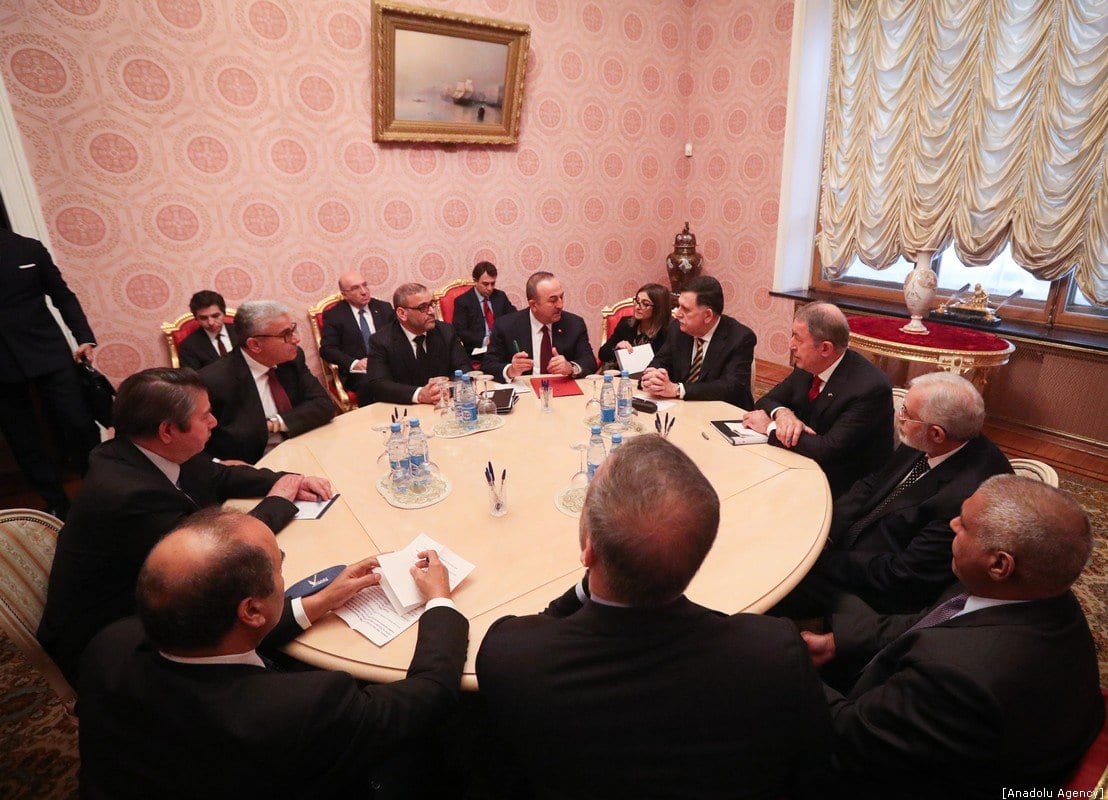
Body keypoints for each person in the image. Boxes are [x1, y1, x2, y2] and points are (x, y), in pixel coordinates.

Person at [477, 435, 832, 798]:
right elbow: (814, 773)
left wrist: (586, 584)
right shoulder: (774, 653)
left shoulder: (513, 657)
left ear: (587, 549)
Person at [78, 508, 468, 799]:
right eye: (280, 566)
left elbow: (223, 636)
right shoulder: (303, 706)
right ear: (251, 610)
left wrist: (316, 603)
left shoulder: (109, 644)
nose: (283, 575)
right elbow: (429, 693)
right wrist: (439, 599)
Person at [803, 475, 1105, 799]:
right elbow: (929, 620)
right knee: (836, 598)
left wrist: (786, 660)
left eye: (965, 525)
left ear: (999, 564)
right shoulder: (1036, 591)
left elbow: (851, 734)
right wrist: (839, 641)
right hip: (952, 726)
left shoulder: (957, 678)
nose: (952, 524)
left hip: (886, 772)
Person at [37, 368, 333, 684]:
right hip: (119, 643)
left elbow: (220, 477)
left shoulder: (151, 448)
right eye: (205, 416)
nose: (214, 422)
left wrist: (288, 480)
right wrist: (279, 502)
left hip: (160, 599)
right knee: (276, 614)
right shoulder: (127, 494)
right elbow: (215, 554)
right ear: (167, 430)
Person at [772, 372, 1013, 616]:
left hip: (878, 589)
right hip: (854, 548)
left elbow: (903, 574)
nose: (899, 416)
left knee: (775, 582)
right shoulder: (932, 437)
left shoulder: (967, 497)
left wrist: (822, 561)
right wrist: (825, 534)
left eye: (906, 413)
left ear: (937, 433)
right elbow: (872, 483)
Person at [743, 302, 893, 497]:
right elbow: (767, 400)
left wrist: (770, 427)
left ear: (825, 348)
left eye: (798, 338)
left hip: (841, 487)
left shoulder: (870, 388)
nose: (791, 345)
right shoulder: (808, 366)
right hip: (799, 464)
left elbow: (827, 450)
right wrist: (783, 414)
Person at [0, 227, 100, 518]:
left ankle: (98, 487)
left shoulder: (28, 248)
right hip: (2, 365)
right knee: (22, 439)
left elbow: (62, 296)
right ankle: (55, 502)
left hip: (48, 352)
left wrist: (84, 337)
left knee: (79, 422)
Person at [200, 300, 334, 463]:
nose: (296, 339)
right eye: (286, 334)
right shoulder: (214, 381)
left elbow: (323, 405)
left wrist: (273, 424)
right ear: (255, 345)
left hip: (303, 448)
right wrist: (218, 464)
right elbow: (195, 444)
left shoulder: (292, 359)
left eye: (293, 329)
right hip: (255, 465)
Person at [640, 275, 756, 407]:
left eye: (685, 309)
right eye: (678, 306)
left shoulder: (740, 338)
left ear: (707, 315)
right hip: (682, 408)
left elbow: (730, 387)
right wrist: (653, 376)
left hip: (723, 412)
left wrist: (677, 390)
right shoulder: (677, 328)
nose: (677, 314)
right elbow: (661, 361)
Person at [364, 282, 470, 405]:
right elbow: (378, 385)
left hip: (444, 404)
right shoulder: (381, 341)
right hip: (405, 408)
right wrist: (419, 394)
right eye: (423, 307)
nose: (431, 311)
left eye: (431, 304)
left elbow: (464, 367)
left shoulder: (445, 331)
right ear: (402, 313)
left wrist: (448, 389)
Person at [481, 271, 598, 380]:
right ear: (533, 305)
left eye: (561, 297)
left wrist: (571, 368)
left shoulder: (574, 324)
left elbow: (589, 361)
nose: (560, 305)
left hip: (562, 390)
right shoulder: (506, 326)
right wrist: (511, 370)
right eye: (553, 300)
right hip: (525, 390)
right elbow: (488, 365)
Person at [318, 271, 395, 405]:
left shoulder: (384, 308)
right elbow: (327, 349)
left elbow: (398, 336)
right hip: (360, 373)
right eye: (355, 288)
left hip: (389, 363)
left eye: (365, 285)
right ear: (344, 294)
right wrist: (355, 363)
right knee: (370, 383)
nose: (364, 291)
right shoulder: (334, 315)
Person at [596, 282, 671, 371]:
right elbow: (602, 354)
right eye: (637, 301)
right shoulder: (626, 324)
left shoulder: (669, 331)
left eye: (645, 304)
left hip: (653, 377)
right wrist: (616, 347)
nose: (637, 307)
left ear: (659, 308)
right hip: (623, 376)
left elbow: (670, 366)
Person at [451, 261, 517, 358]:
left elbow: (513, 318)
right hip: (479, 351)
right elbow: (460, 331)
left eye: (493, 283)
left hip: (501, 346)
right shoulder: (463, 301)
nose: (490, 288)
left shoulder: (500, 296)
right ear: (475, 281)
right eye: (485, 284)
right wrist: (484, 340)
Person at [177, 290, 238, 370]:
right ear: (196, 318)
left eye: (215, 316)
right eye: (203, 318)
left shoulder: (241, 331)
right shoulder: (188, 346)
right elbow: (192, 376)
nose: (211, 322)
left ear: (224, 313)